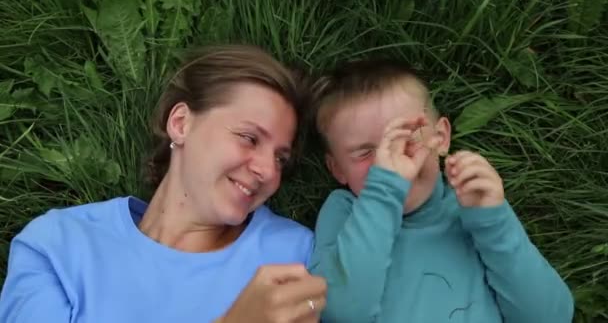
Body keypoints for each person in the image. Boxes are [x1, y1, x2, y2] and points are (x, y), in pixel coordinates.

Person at [0, 44, 327, 323]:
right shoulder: (57, 247)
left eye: (280, 158)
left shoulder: (297, 256)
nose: (268, 171)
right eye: (249, 137)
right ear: (181, 123)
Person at [308, 59, 574, 322]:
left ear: (441, 138)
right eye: (366, 153)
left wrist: (494, 222)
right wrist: (383, 190)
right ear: (337, 169)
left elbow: (552, 316)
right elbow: (340, 312)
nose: (394, 161)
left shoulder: (470, 208)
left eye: (407, 139)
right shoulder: (344, 211)